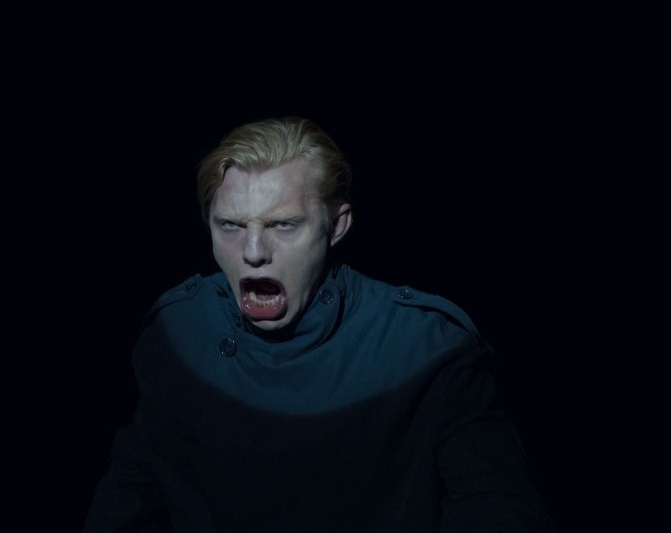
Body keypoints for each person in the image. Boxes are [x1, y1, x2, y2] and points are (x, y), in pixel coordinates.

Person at [83, 116, 557, 532]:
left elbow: (498, 510)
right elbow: (130, 499)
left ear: (336, 226)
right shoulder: (179, 333)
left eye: (283, 224)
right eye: (230, 225)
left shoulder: (427, 347)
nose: (253, 252)